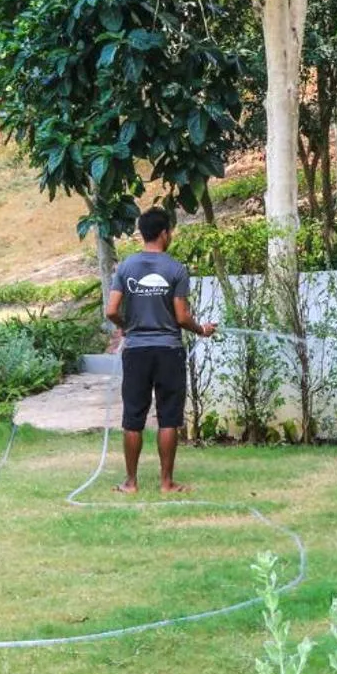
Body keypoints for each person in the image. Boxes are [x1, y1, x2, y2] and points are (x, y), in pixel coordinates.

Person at [104, 207, 216, 493]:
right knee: (168, 417)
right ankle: (166, 483)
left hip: (137, 351)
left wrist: (127, 327)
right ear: (165, 233)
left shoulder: (126, 267)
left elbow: (111, 310)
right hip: (168, 350)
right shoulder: (175, 269)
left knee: (133, 417)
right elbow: (181, 316)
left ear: (142, 233)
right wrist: (201, 329)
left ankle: (131, 483)